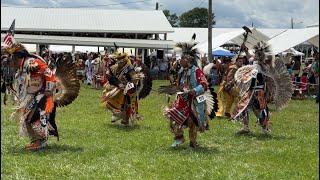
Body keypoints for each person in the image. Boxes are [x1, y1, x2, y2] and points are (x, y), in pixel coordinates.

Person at [159, 34, 218, 149]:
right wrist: (175, 88)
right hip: (182, 100)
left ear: (189, 60)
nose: (180, 61)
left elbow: (204, 85)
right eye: (180, 59)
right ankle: (179, 137)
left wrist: (194, 91)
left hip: (194, 101)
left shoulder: (197, 71)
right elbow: (179, 84)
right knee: (172, 116)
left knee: (193, 122)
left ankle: (193, 143)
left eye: (182, 59)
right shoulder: (181, 71)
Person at [231, 41, 293, 134]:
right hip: (251, 89)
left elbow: (260, 70)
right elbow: (249, 57)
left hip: (258, 90)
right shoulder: (253, 62)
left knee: (260, 109)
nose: (255, 54)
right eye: (255, 53)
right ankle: (246, 127)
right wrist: (245, 49)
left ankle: (265, 128)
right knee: (243, 107)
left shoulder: (263, 65)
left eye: (257, 53)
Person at [101, 52, 151, 125]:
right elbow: (110, 77)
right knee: (107, 97)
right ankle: (117, 114)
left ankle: (125, 120)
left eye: (120, 61)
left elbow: (134, 79)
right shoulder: (114, 67)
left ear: (124, 61)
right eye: (118, 60)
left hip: (128, 89)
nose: (119, 63)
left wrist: (128, 86)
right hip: (118, 87)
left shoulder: (129, 67)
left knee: (126, 104)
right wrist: (117, 83)